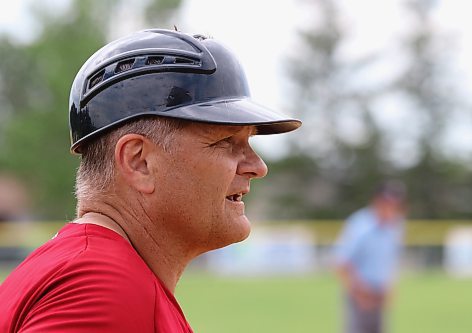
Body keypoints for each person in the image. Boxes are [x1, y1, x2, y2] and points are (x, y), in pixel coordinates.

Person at [0, 29, 301, 332]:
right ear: (139, 161)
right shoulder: (101, 289)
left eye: (249, 141)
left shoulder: (88, 267)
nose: (257, 166)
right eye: (225, 141)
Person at [333, 181, 407, 333]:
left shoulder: (396, 226)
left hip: (380, 295)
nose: (391, 207)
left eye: (395, 203)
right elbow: (341, 263)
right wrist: (359, 292)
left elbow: (390, 258)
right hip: (360, 295)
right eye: (387, 202)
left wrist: (390, 286)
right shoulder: (360, 225)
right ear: (377, 201)